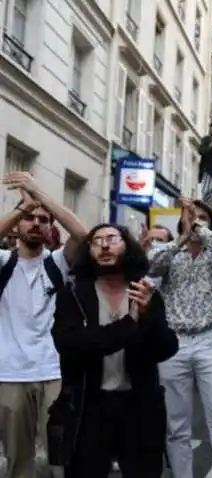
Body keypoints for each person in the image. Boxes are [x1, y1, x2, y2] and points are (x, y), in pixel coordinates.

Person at [48, 224, 178, 477]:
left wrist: (148, 318)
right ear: (88, 251)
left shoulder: (144, 293)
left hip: (138, 406)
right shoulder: (74, 294)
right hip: (89, 406)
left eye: (112, 239)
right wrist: (129, 324)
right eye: (96, 241)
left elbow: (166, 347)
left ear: (127, 247)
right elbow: (71, 344)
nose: (105, 245)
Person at [0, 171, 87, 478]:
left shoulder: (57, 262)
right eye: (29, 218)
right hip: (10, 374)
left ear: (51, 228)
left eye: (43, 219)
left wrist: (40, 194)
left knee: (60, 461)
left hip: (54, 374)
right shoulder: (4, 262)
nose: (35, 223)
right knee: (18, 462)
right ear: (19, 224)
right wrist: (23, 207)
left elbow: (82, 236)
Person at [148, 198, 212, 478]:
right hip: (174, 343)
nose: (196, 221)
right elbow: (151, 265)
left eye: (203, 218)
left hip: (210, 340)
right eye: (192, 217)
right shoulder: (170, 254)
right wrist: (183, 236)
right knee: (176, 426)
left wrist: (198, 225)